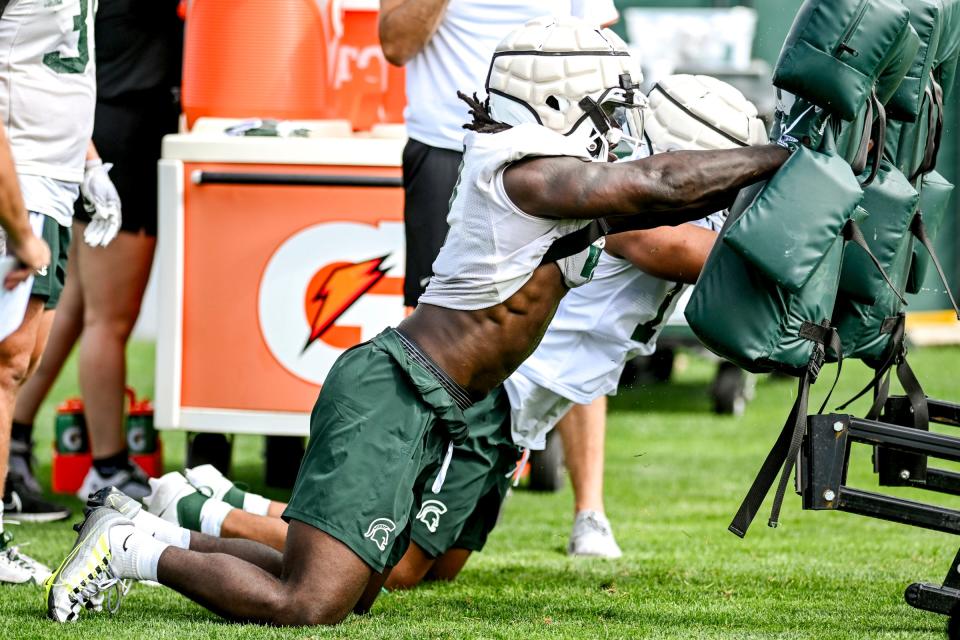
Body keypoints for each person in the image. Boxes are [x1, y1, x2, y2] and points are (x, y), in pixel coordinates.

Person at [46, 18, 788, 625]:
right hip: (397, 392)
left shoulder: (551, 168)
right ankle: (132, 546)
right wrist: (780, 158)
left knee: (365, 582)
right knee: (309, 604)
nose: (619, 123)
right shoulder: (528, 170)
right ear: (561, 102)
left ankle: (159, 532)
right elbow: (656, 183)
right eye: (606, 108)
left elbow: (663, 197)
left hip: (435, 404)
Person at [381, 0, 623, 560]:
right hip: (447, 139)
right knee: (432, 333)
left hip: (554, 142)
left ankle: (590, 512)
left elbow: (595, 37)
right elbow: (395, 44)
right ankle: (404, 496)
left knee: (571, 309)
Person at [5, 0, 184, 514]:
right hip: (114, 132)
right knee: (108, 317)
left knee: (65, 311)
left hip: (98, 132)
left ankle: (16, 435)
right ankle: (106, 464)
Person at [0, 0, 99, 583]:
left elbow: (62, 59)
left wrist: (90, 163)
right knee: (6, 364)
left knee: (23, 359)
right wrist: (16, 226)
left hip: (53, 175)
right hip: (22, 170)